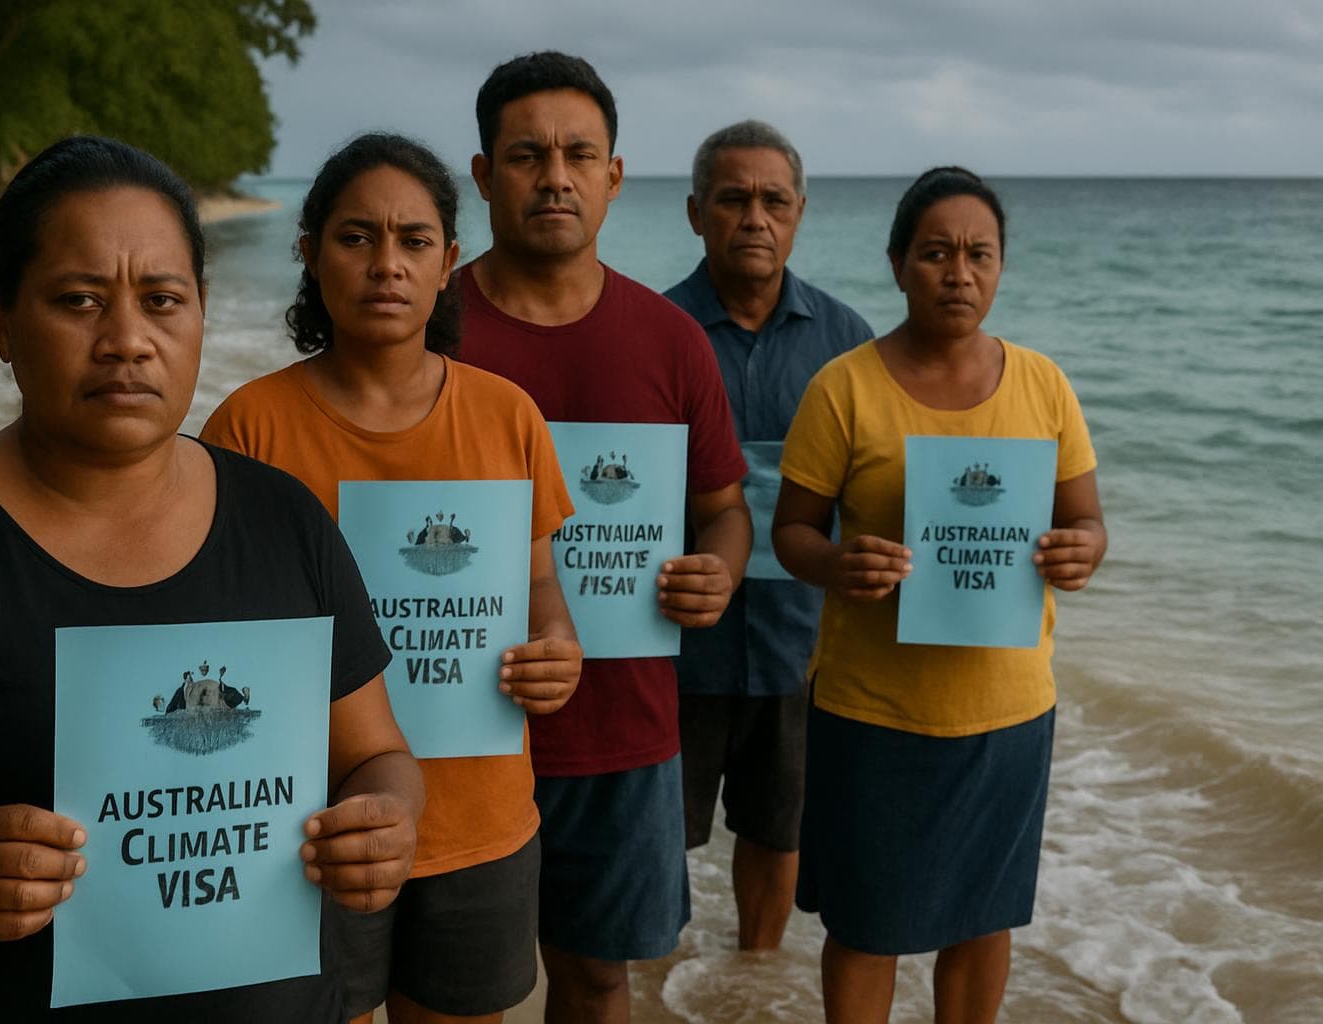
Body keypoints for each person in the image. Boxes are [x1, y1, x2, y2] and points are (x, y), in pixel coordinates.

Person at [0, 135, 424, 1023]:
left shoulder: (285, 521)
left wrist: (386, 818)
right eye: (78, 301)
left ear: (201, 312)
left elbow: (377, 754)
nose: (127, 341)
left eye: (162, 300)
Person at [201, 133, 582, 1024]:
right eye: (355, 237)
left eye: (414, 241)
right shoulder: (247, 429)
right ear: (309, 253)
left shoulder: (507, 416)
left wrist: (557, 648)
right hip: (308, 832)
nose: (386, 264)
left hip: (481, 822)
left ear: (449, 263)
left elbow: (540, 593)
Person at [771, 166, 1107, 1024]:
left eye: (979, 254)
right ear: (897, 264)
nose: (959, 273)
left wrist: (1081, 552)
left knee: (983, 920)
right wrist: (837, 565)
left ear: (1000, 267)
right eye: (936, 253)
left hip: (1007, 712)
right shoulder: (844, 387)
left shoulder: (1044, 385)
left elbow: (1086, 522)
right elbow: (792, 532)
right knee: (865, 927)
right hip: (873, 713)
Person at [455, 52, 752, 1023]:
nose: (555, 177)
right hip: (453, 726)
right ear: (483, 174)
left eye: (579, 155)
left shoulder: (672, 340)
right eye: (526, 155)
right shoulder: (428, 327)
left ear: (614, 176)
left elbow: (725, 508)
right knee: (454, 995)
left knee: (595, 981)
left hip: (623, 731)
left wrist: (718, 571)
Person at [663, 120, 873, 951]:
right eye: (733, 199)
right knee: (656, 832)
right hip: (673, 639)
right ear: (695, 212)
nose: (755, 217)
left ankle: (751, 976)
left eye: (774, 201)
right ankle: (654, 982)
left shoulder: (847, 343)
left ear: (800, 213)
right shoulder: (655, 332)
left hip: (801, 644)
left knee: (778, 830)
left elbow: (875, 489)